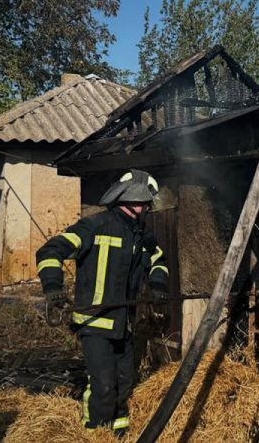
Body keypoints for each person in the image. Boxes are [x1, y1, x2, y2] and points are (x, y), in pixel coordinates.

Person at [36, 169, 169, 436]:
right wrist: (53, 288)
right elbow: (50, 251)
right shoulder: (94, 226)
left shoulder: (142, 237)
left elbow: (159, 261)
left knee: (123, 384)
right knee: (104, 386)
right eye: (147, 203)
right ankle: (94, 432)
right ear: (136, 202)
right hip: (95, 324)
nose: (149, 208)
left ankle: (119, 433)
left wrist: (157, 285)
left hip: (125, 326)